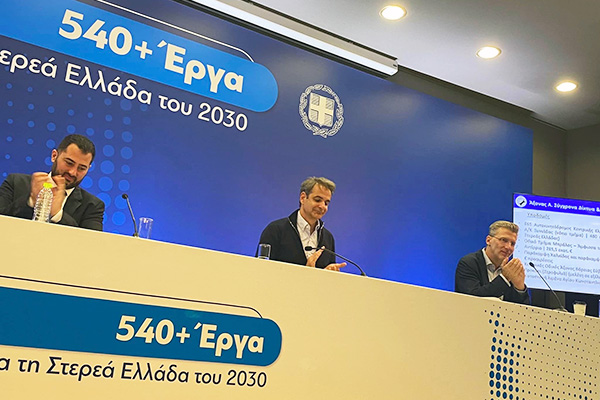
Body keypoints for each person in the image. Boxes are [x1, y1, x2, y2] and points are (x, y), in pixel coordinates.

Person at [0, 134, 105, 231]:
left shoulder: (93, 206)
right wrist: (31, 200)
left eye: (81, 168)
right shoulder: (15, 182)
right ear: (54, 156)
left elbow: (91, 241)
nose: (72, 172)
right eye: (69, 163)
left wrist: (57, 214)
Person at [257, 177, 346, 271]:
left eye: (326, 203)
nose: (322, 206)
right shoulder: (275, 230)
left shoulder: (328, 238)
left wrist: (328, 273)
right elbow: (260, 270)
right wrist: (305, 272)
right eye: (317, 200)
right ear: (303, 198)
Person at [455, 220, 529, 304]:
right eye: (504, 240)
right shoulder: (468, 263)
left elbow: (524, 310)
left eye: (512, 244)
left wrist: (519, 288)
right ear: (488, 240)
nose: (508, 247)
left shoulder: (510, 269)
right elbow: (473, 298)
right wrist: (504, 278)